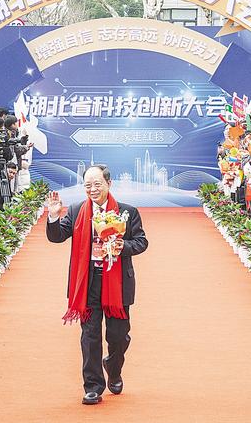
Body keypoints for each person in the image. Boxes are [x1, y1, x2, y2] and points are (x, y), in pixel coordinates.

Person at [46, 165, 148, 405]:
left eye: (97, 184)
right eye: (88, 185)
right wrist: (53, 216)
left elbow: (141, 242)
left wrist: (123, 247)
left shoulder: (127, 212)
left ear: (109, 184)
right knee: (90, 335)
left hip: (117, 282)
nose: (92, 189)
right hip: (88, 282)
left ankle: (113, 367)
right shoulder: (76, 211)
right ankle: (93, 386)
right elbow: (57, 236)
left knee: (118, 336)